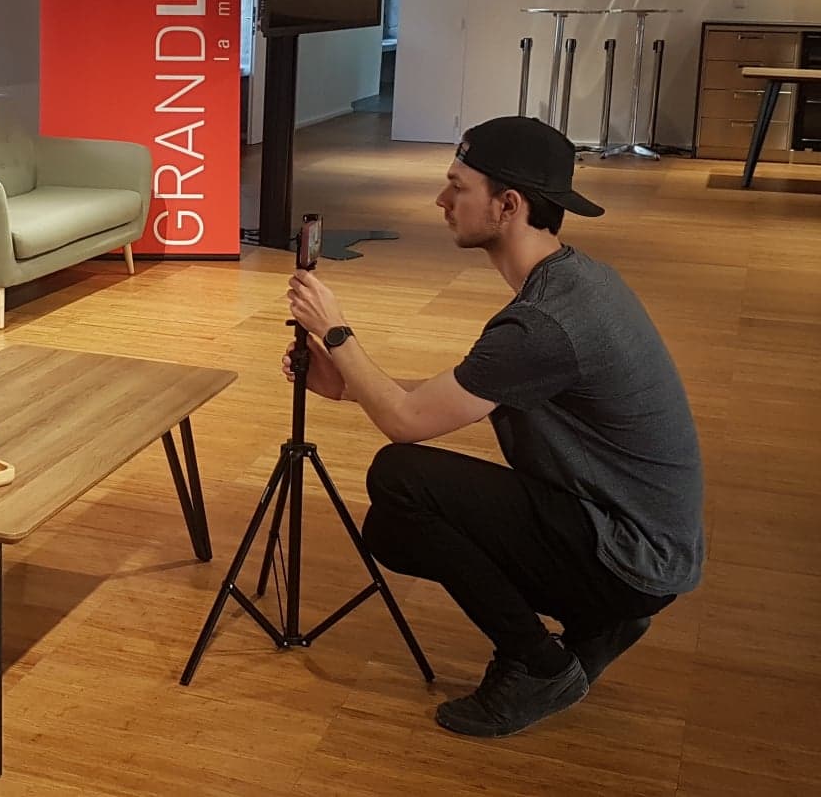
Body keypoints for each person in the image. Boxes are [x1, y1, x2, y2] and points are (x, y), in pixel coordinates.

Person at [283, 115, 704, 738]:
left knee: (399, 477)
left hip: (631, 554)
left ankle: (540, 666)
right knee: (391, 530)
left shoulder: (544, 325)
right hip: (634, 534)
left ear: (508, 205)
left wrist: (336, 332)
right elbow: (455, 395)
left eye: (458, 186)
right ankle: (600, 623)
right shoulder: (573, 282)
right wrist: (347, 386)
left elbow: (406, 425)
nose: (442, 199)